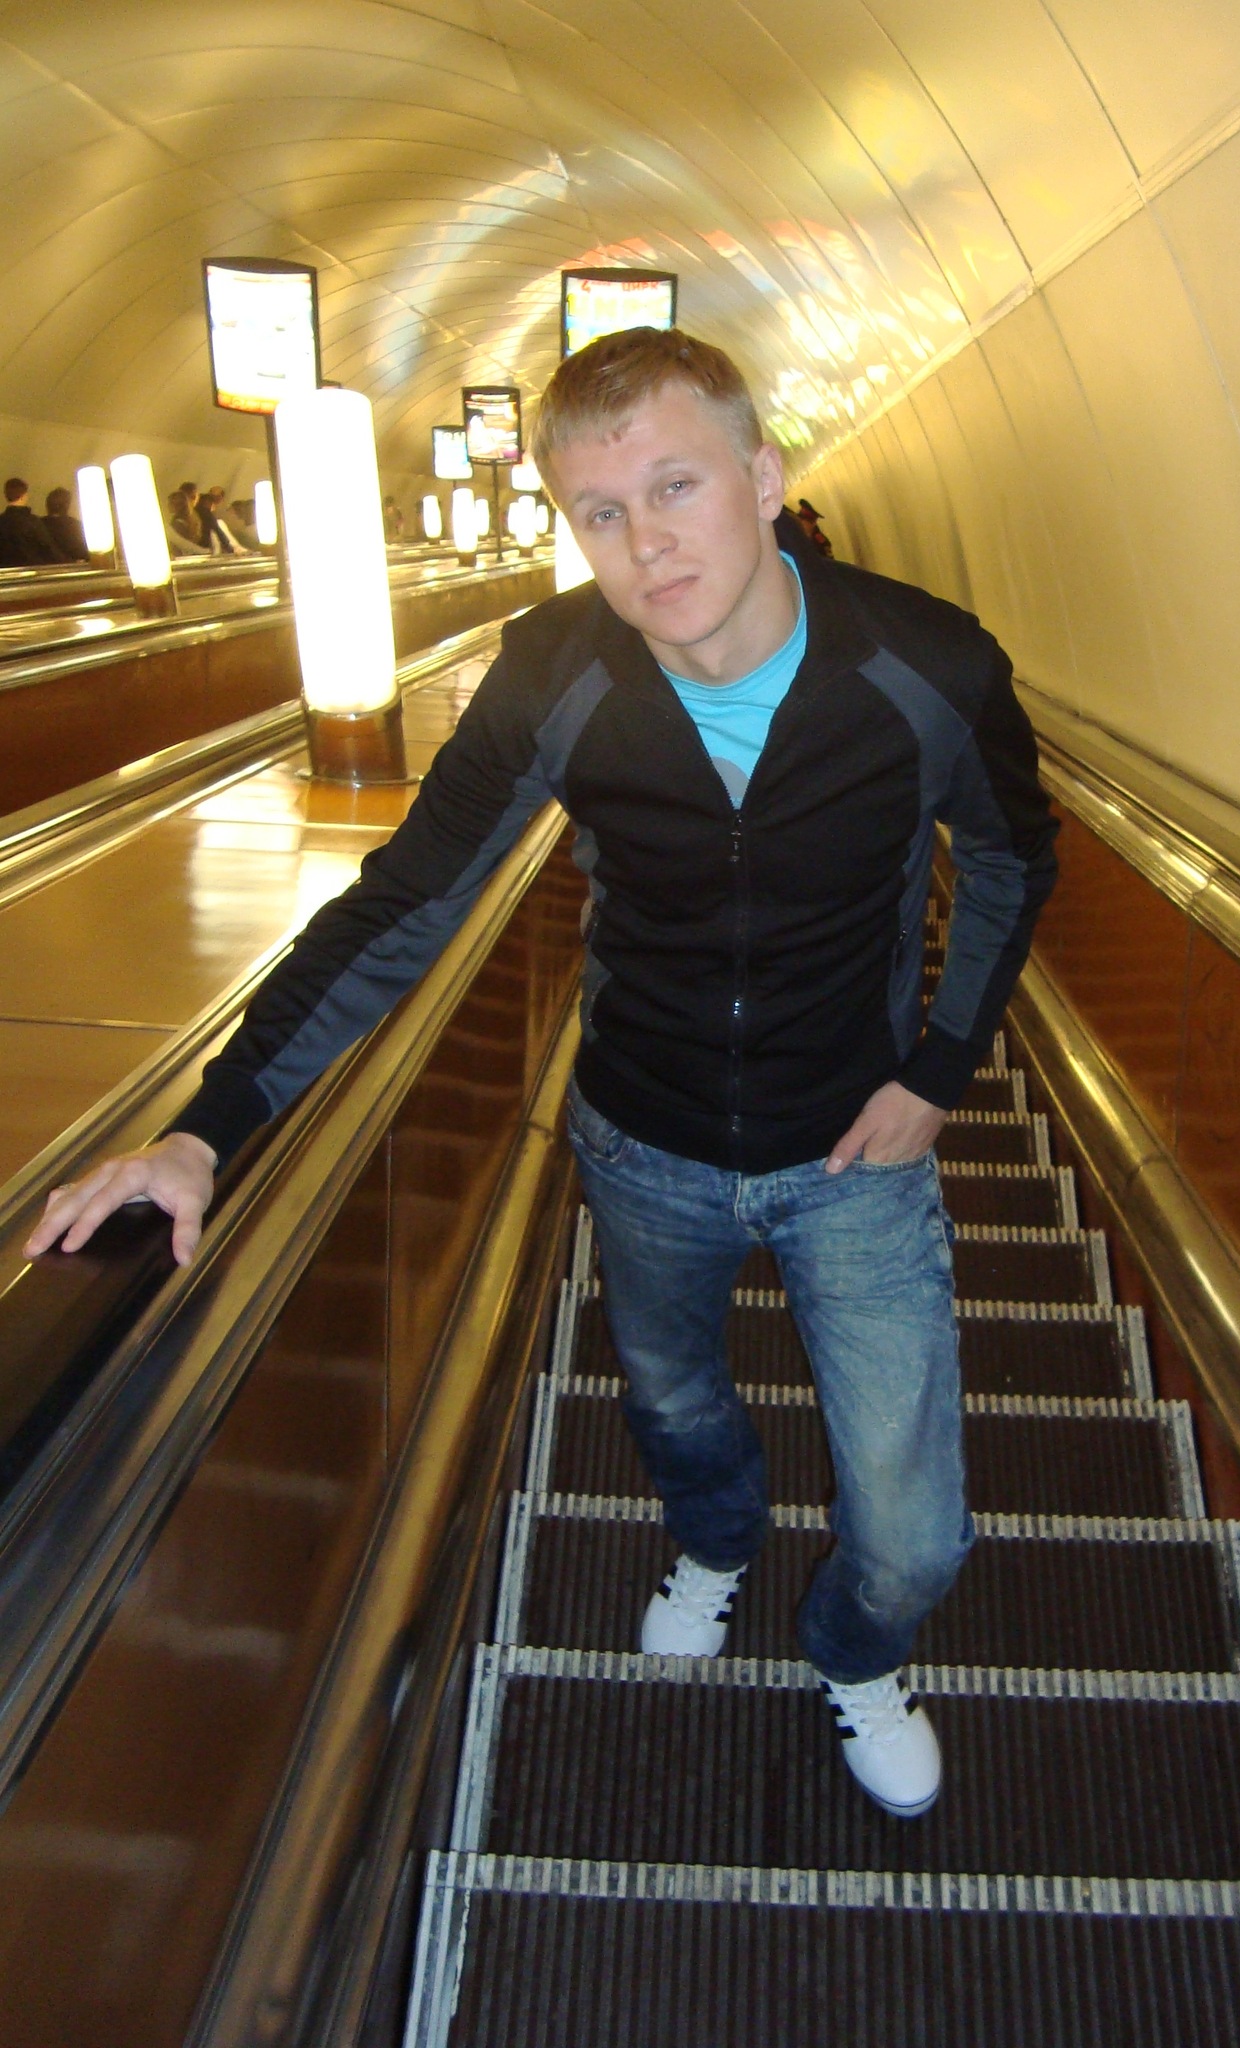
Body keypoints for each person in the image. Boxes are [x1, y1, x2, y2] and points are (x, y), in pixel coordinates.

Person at [25, 328, 1057, 1820]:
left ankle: (856, 1647)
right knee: (675, 1400)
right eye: (601, 512)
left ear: (764, 477)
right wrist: (206, 1127)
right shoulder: (557, 673)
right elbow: (407, 901)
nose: (646, 544)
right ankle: (714, 1539)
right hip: (642, 1143)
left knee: (911, 1535)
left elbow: (1015, 857)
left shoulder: (925, 666)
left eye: (676, 486)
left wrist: (940, 1071)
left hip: (856, 1149)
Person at [0, 476, 63, 566]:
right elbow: (49, 548)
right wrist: (70, 562)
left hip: (5, 572)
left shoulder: (2, 522)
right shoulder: (33, 522)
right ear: (23, 496)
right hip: (31, 569)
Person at [43, 486, 90, 562]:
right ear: (67, 505)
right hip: (73, 567)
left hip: (44, 566)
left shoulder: (37, 525)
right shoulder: (76, 526)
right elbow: (84, 554)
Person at [166, 488, 211, 555]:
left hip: (180, 555)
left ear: (177, 506)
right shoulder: (193, 518)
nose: (167, 505)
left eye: (169, 503)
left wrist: (204, 551)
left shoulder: (178, 524)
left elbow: (181, 543)